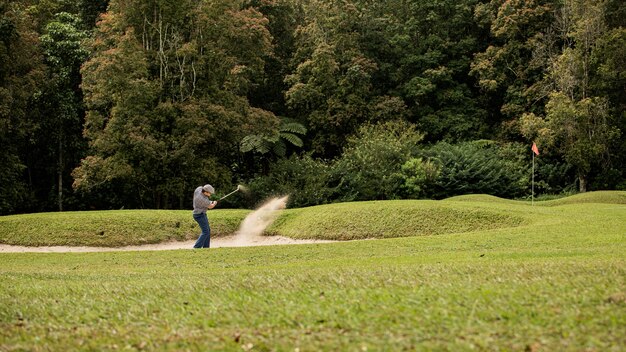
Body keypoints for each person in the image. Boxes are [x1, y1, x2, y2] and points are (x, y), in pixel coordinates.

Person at [192, 184, 217, 248]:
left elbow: (207, 202)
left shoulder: (199, 189)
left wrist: (210, 201)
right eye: (210, 193)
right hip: (199, 215)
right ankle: (196, 247)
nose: (210, 194)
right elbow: (210, 206)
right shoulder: (202, 199)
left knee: (207, 230)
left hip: (200, 214)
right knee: (205, 231)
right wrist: (214, 203)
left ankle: (206, 247)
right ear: (205, 192)